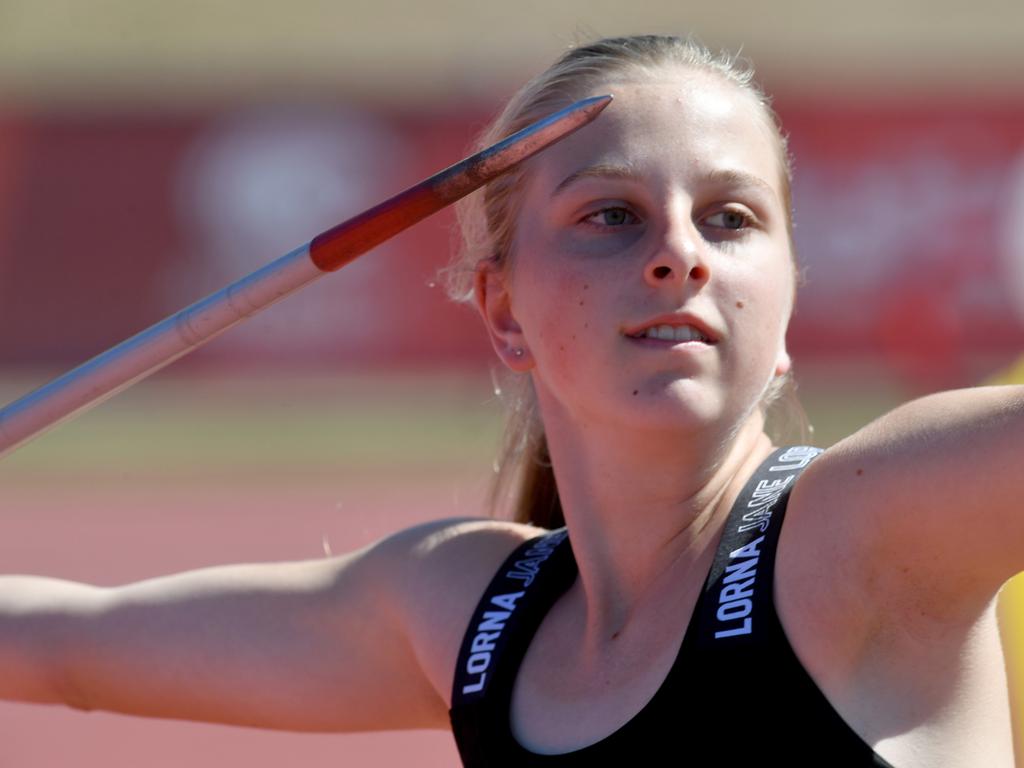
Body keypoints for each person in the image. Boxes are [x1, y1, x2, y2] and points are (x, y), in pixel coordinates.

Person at [1, 34, 1021, 767]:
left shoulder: (871, 526)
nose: (678, 256)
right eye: (612, 216)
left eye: (730, 218)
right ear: (503, 310)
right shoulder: (464, 611)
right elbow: (62, 648)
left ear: (790, 296)